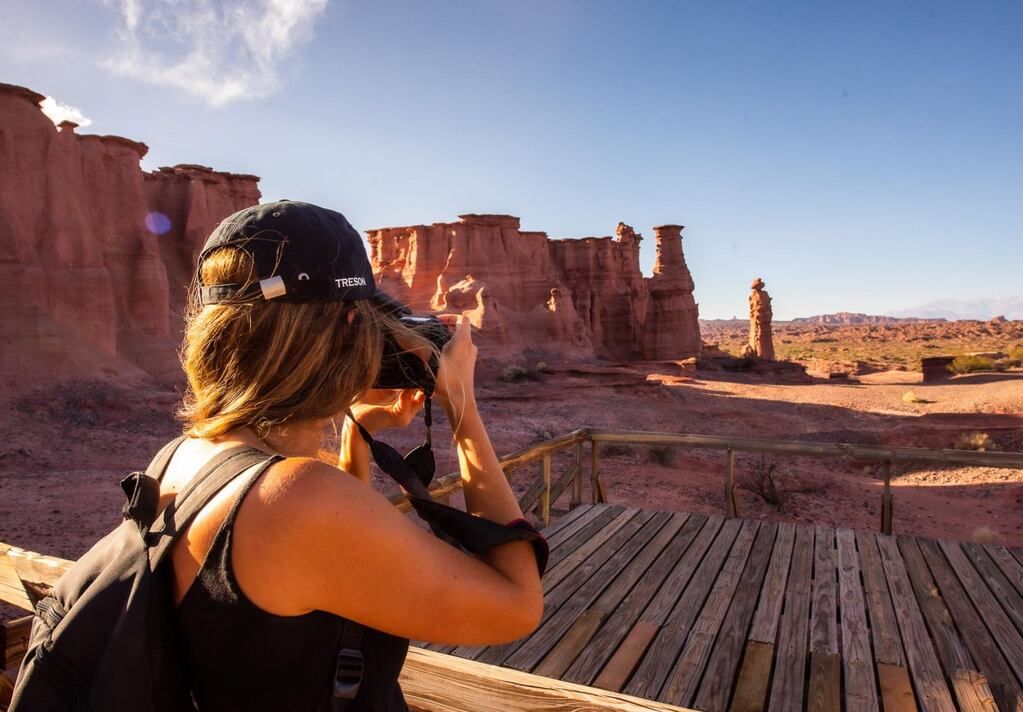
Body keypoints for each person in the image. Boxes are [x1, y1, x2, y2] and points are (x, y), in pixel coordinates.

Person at [156, 200, 545, 710]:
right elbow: (516, 605)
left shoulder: (181, 456)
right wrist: (462, 406)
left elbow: (309, 574)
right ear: (346, 327)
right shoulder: (296, 499)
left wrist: (356, 439)